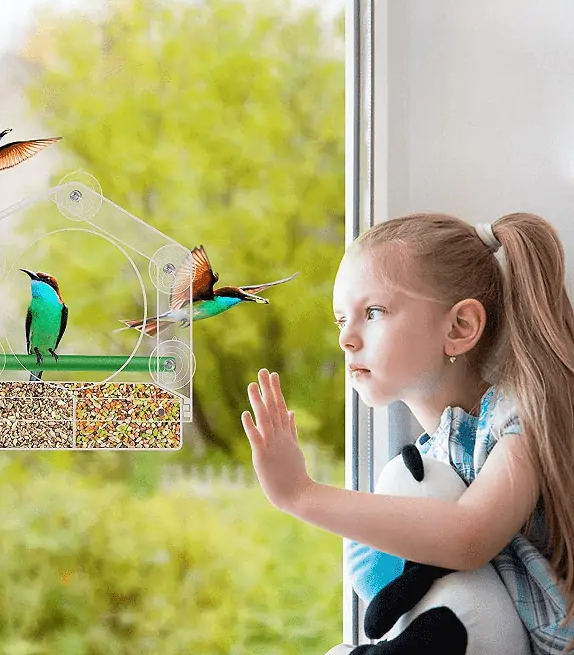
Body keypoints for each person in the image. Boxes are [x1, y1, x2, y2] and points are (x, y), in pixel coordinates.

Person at [241, 212, 574, 654]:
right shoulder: (430, 458)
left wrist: (299, 493)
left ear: (460, 328)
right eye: (341, 319)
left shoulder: (520, 416)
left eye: (372, 312)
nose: (346, 339)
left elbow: (468, 537)